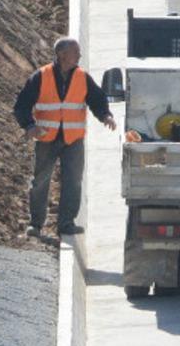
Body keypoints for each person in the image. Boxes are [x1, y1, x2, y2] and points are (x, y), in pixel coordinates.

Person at [13, 36, 116, 238]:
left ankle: (66, 223)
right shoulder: (40, 77)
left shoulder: (82, 77)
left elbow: (97, 99)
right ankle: (35, 223)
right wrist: (29, 126)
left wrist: (105, 115)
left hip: (73, 140)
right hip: (46, 139)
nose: (79, 55)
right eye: (75, 52)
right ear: (62, 55)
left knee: (73, 181)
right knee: (41, 181)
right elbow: (22, 106)